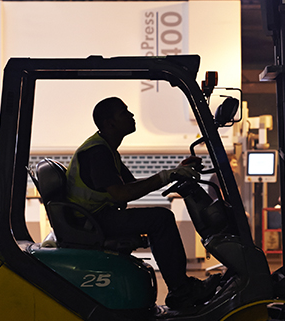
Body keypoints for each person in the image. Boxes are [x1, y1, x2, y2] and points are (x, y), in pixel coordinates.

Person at [65, 96, 213, 309]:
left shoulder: (107, 149)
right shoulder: (97, 152)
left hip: (98, 216)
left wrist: (174, 171)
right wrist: (165, 176)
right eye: (124, 112)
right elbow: (120, 194)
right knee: (161, 219)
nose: (132, 115)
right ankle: (181, 290)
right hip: (93, 221)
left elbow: (132, 185)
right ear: (110, 123)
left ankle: (181, 287)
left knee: (159, 217)